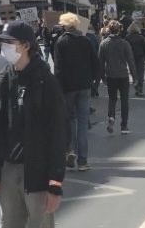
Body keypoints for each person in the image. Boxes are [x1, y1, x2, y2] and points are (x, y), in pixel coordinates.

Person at [0, 21, 66, 228]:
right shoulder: (6, 79)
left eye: (10, 42)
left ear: (26, 45)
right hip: (9, 169)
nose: (5, 47)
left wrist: (55, 184)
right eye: (3, 42)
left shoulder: (46, 82)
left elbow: (59, 133)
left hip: (37, 171)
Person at [53, 13, 98, 172]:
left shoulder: (61, 42)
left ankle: (70, 150)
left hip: (67, 87)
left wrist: (58, 87)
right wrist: (93, 81)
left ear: (64, 25)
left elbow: (58, 67)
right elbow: (95, 62)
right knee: (83, 123)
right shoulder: (85, 41)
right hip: (84, 85)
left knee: (70, 120)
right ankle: (83, 161)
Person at [98, 21, 137, 134]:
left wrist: (102, 77)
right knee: (124, 100)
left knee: (112, 98)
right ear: (119, 30)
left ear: (108, 30)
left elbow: (100, 62)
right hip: (123, 75)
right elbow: (130, 61)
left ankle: (111, 117)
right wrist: (135, 77)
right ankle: (124, 126)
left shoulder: (104, 43)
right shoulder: (124, 43)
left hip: (111, 75)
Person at [125, 24, 145, 97]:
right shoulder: (141, 38)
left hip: (131, 57)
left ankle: (136, 87)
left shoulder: (127, 38)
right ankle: (140, 89)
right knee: (140, 73)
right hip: (140, 57)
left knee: (133, 73)